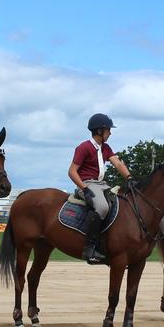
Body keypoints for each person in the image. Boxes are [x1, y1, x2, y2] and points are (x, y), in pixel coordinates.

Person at [68, 113, 132, 265]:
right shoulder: (84, 147)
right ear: (99, 131)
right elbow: (72, 171)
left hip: (101, 184)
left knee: (119, 203)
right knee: (102, 206)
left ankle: (109, 245)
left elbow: (118, 164)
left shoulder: (106, 148)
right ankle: (89, 248)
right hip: (87, 184)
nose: (110, 133)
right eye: (108, 130)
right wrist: (84, 188)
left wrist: (129, 177)